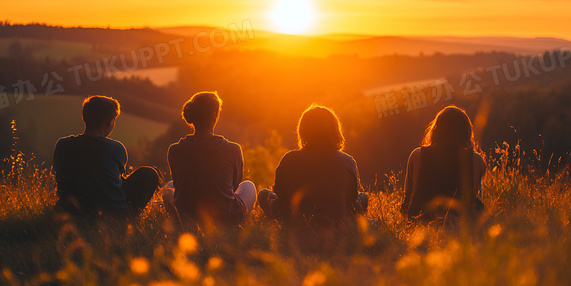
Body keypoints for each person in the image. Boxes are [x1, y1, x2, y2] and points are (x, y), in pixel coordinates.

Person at [258, 104, 368, 225]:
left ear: (303, 131)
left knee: (263, 194)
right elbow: (351, 197)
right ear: (335, 130)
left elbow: (280, 193)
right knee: (363, 197)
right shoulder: (347, 161)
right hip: (336, 219)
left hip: (294, 219)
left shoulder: (289, 159)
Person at [54, 95, 160, 219]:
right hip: (112, 215)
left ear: (85, 117)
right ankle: (131, 220)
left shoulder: (62, 144)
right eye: (114, 120)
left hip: (70, 212)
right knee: (149, 174)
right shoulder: (116, 148)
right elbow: (115, 181)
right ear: (108, 122)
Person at [164, 91, 256, 225]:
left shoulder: (174, 149)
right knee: (248, 186)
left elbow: (180, 183)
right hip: (227, 215)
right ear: (214, 116)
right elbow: (234, 184)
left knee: (169, 186)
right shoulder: (233, 149)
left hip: (187, 214)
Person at [401, 105, 486, 221]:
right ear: (466, 131)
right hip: (461, 222)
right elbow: (472, 199)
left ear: (436, 129)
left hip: (421, 221)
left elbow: (408, 195)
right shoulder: (475, 159)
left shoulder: (417, 155)